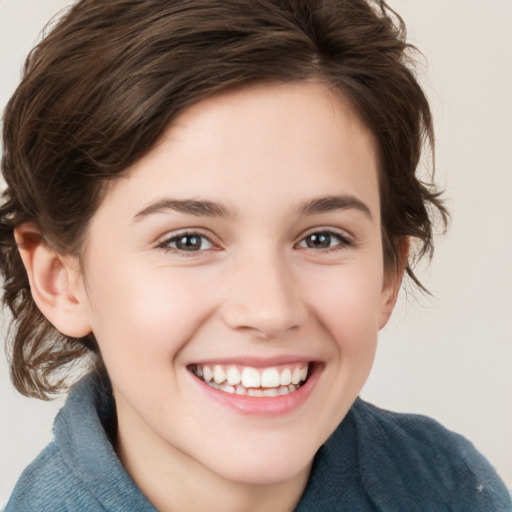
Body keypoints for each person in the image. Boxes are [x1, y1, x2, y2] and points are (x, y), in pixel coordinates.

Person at [1, 0, 510, 510]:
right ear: (60, 279)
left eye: (322, 238)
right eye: (188, 241)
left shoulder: (450, 486)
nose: (270, 310)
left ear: (387, 272)